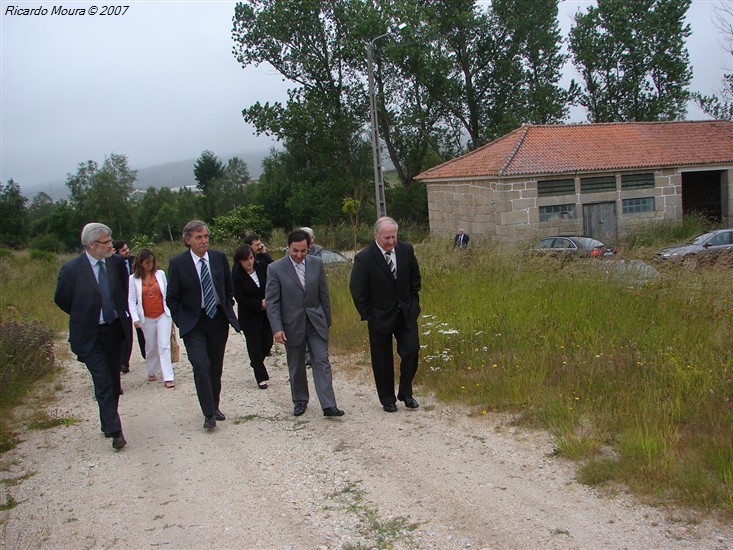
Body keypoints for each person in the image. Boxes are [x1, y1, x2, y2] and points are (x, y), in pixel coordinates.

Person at [54, 223, 131, 450]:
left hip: (113, 329)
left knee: (114, 382)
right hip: (90, 334)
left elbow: (121, 292)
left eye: (110, 241)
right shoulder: (72, 270)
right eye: (106, 243)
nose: (110, 246)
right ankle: (116, 431)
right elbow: (62, 299)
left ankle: (107, 421)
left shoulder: (116, 263)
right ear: (91, 245)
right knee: (103, 381)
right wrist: (85, 313)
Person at [166, 220, 240, 430]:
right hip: (193, 321)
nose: (204, 241)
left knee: (215, 366)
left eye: (206, 236)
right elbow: (172, 298)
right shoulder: (178, 263)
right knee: (201, 364)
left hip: (217, 318)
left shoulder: (218, 258)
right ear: (188, 240)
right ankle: (208, 413)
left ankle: (214, 406)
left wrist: (228, 303)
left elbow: (228, 286)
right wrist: (182, 321)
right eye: (199, 237)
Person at [265, 229, 344, 417]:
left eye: (303, 251)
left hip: (316, 322)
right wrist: (277, 328)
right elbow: (272, 302)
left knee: (322, 361)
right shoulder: (275, 268)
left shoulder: (316, 264)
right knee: (296, 364)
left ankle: (328, 405)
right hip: (291, 325)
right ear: (288, 248)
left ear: (308, 247)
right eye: (295, 251)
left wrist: (327, 320)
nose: (299, 255)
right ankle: (300, 400)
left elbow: (323, 294)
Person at [349, 216, 422, 413]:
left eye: (394, 237)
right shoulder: (364, 258)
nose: (391, 242)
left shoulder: (406, 250)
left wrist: (413, 304)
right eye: (387, 238)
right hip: (379, 316)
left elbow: (415, 280)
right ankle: (387, 398)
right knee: (382, 359)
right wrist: (369, 315)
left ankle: (406, 392)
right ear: (376, 236)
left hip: (405, 313)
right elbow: (357, 290)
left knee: (412, 350)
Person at [128, 248, 175, 388]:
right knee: (151, 346)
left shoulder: (160, 274)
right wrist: (135, 318)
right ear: (141, 263)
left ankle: (168, 376)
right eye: (147, 262)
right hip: (146, 317)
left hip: (162, 314)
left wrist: (172, 312)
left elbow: (166, 294)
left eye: (152, 262)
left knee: (164, 345)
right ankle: (151, 370)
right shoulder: (133, 279)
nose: (150, 265)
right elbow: (131, 300)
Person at [232, 244, 273, 389]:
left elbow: (273, 266)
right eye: (245, 260)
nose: (249, 262)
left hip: (266, 314)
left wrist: (264, 253)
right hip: (249, 315)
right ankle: (260, 377)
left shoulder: (261, 268)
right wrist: (258, 303)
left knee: (267, 343)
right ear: (240, 262)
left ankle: (256, 362)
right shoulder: (236, 275)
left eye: (250, 258)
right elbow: (240, 298)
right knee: (254, 346)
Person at [113, 239, 146, 371]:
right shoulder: (113, 264)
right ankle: (124, 362)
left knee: (142, 328)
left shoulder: (134, 261)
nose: (127, 251)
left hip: (137, 299)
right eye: (123, 250)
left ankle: (147, 355)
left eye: (127, 248)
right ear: (116, 252)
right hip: (122, 301)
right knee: (126, 332)